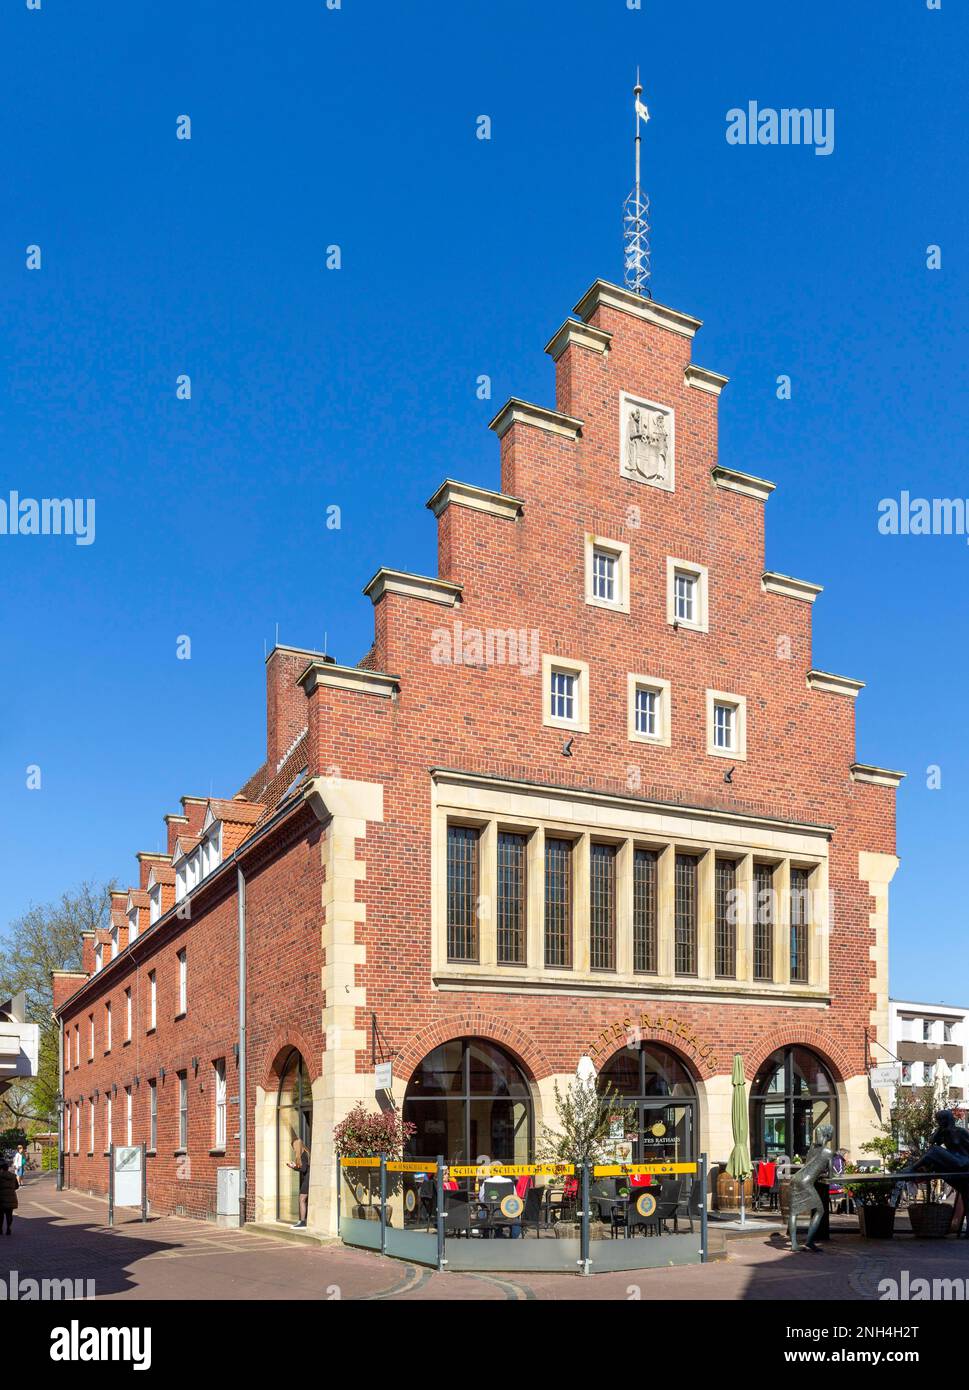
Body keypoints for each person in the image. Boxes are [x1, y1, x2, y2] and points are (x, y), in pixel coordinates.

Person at [286, 1138, 310, 1229]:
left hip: (307, 1179)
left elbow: (303, 1169)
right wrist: (295, 1166)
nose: (293, 1150)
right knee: (303, 1199)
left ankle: (302, 1222)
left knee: (302, 1199)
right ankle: (303, 1221)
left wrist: (293, 1167)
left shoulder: (303, 1154)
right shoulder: (307, 1153)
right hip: (308, 1178)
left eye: (293, 1147)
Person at [0, 1160, 18, 1235]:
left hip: (1, 1198)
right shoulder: (13, 1176)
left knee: (1, 1215)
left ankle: (0, 1229)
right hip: (11, 1197)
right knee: (9, 1214)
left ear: (1, 1168)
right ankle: (8, 1228)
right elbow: (17, 1186)